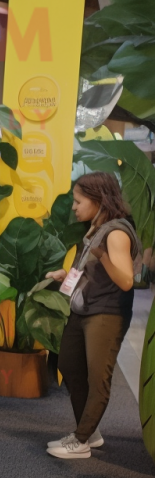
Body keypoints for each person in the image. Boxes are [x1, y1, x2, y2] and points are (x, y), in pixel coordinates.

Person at [45, 172, 142, 459]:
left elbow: (126, 280)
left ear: (98, 200)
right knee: (68, 364)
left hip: (106, 314)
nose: (74, 207)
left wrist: (102, 255)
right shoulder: (95, 230)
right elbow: (89, 271)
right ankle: (90, 432)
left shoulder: (116, 233)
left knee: (98, 377)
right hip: (83, 309)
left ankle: (80, 440)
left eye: (79, 201)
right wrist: (65, 275)